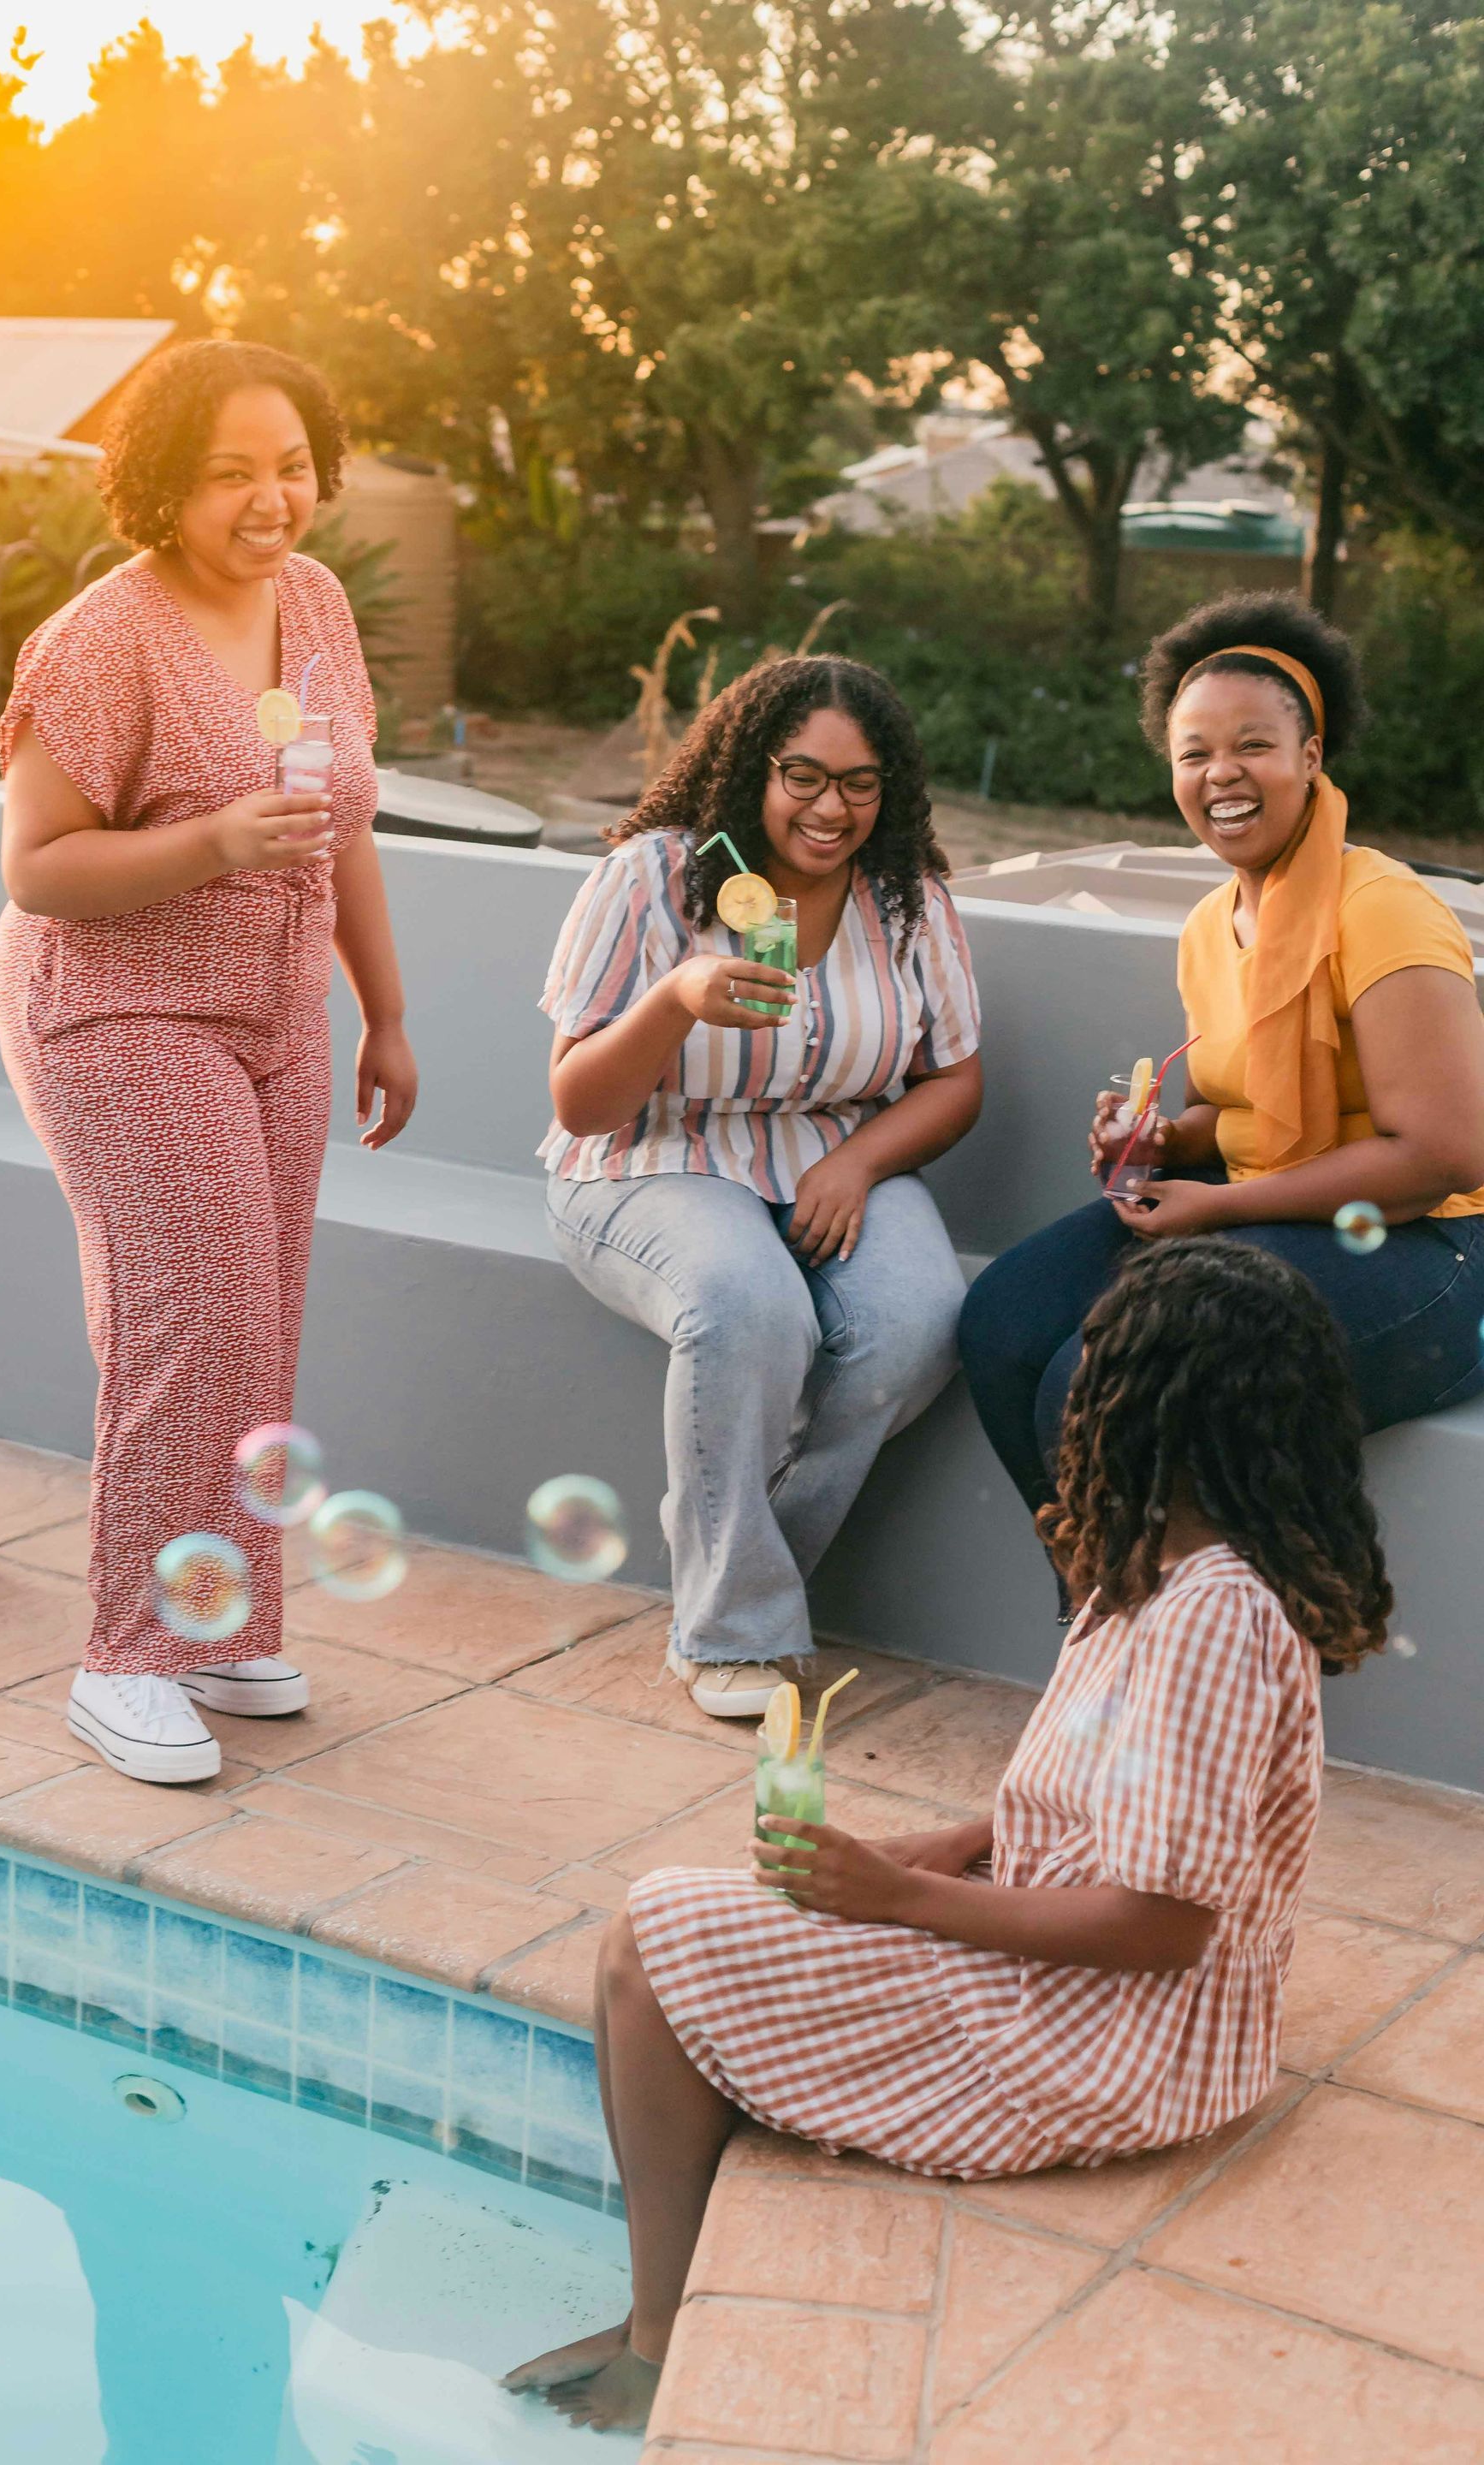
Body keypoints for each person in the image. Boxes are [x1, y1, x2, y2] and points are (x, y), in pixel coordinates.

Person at [507, 1237, 1389, 2433]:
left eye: (1100, 1367)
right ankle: (674, 2283)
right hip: (1065, 1956)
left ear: (1148, 1408)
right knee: (671, 1935)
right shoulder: (1158, 1570)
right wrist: (947, 1845)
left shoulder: (1218, 1618)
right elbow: (1111, 1793)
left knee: (651, 1943)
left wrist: (897, 1901)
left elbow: (1166, 1927)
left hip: (1114, 2037)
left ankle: (660, 2336)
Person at [0, 340, 417, 1785]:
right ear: (164, 480)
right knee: (193, 1320)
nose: (269, 501)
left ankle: (216, 1614)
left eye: (291, 467)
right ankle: (124, 1659)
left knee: (260, 1319)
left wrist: (388, 1011)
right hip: (119, 1005)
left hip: (280, 1010)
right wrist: (210, 844)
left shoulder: (317, 603)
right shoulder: (101, 640)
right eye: (230, 472)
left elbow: (339, 819)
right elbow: (39, 869)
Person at [958, 591, 1484, 1551]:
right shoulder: (1211, 926)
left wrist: (1222, 1208)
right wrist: (1162, 1139)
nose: (1222, 773)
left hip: (1433, 1253)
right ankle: (1108, 1626)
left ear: (1311, 758)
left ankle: (1173, 1659)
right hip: (1270, 1206)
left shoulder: (1383, 908)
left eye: (1253, 745)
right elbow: (1230, 1112)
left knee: (1104, 1376)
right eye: (1194, 752)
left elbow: (1443, 1154)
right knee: (1003, 1324)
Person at [540, 654, 982, 1719]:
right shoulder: (655, 875)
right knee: (747, 1305)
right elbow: (580, 1103)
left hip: (832, 1157)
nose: (833, 808)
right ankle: (735, 1630)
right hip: (653, 1157)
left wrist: (860, 1160)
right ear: (753, 770)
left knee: (914, 1322)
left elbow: (957, 1079)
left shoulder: (906, 898)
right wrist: (679, 998)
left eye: (861, 783)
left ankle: (735, 1568)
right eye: (805, 776)